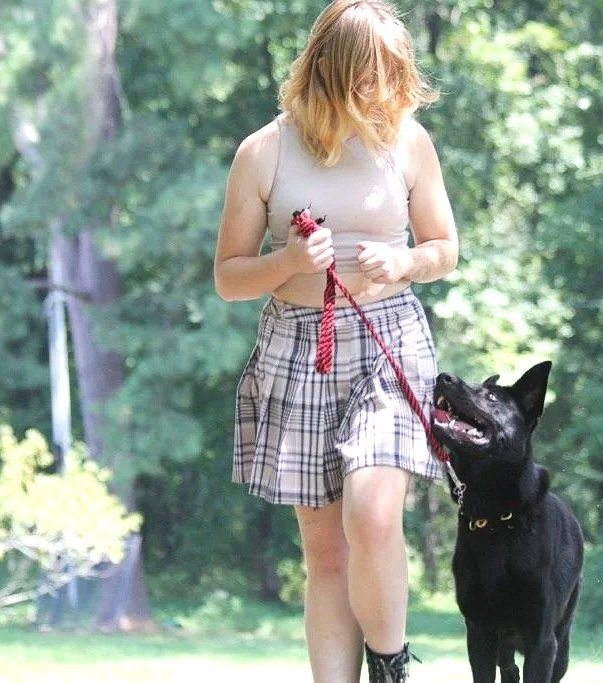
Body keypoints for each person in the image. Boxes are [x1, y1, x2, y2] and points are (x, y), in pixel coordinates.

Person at [213, 1, 458, 681]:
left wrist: (407, 263)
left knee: (374, 515)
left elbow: (444, 248)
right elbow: (229, 278)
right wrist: (287, 262)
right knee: (325, 553)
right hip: (298, 348)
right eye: (366, 78)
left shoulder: (409, 142)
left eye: (390, 78)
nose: (381, 94)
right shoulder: (263, 152)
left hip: (389, 342)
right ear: (328, 70)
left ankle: (391, 664)